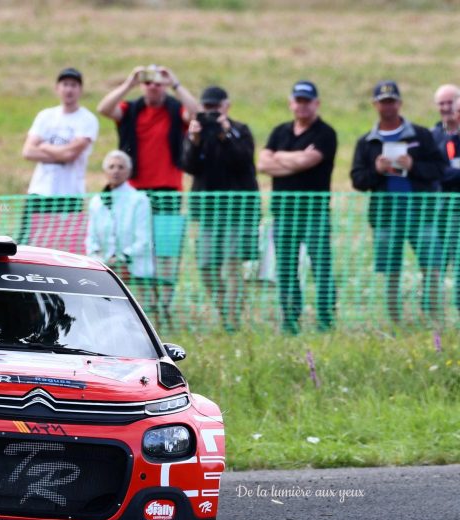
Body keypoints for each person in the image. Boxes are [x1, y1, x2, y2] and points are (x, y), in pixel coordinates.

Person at [97, 64, 198, 312]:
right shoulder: (131, 110)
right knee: (131, 245)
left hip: (168, 190)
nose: (153, 87)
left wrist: (176, 83)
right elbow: (104, 108)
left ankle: (162, 303)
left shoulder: (175, 111)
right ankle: (134, 303)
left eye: (158, 82)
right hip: (134, 192)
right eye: (148, 82)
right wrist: (128, 84)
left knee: (165, 250)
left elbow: (197, 115)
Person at [350, 80, 446, 324]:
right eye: (383, 102)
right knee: (391, 272)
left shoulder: (421, 135)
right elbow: (358, 179)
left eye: (392, 101)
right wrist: (376, 170)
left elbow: (439, 169)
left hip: (421, 214)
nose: (388, 107)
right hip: (385, 217)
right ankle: (396, 323)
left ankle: (433, 320)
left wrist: (413, 167)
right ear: (375, 105)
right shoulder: (366, 142)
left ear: (400, 103)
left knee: (432, 268)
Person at [258, 81, 339, 334]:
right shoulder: (280, 131)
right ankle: (290, 321)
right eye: (298, 100)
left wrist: (279, 157)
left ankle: (325, 320)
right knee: (285, 269)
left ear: (316, 103)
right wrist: (294, 158)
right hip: (283, 212)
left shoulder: (325, 133)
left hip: (314, 212)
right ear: (291, 102)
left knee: (321, 266)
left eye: (307, 101)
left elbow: (310, 160)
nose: (302, 105)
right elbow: (263, 163)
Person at [181, 86, 259, 332]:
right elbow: (188, 166)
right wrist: (194, 141)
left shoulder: (240, 130)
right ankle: (225, 310)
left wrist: (226, 135)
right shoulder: (198, 132)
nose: (212, 112)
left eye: (216, 107)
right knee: (206, 266)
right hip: (208, 212)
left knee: (233, 265)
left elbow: (244, 160)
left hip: (238, 211)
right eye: (207, 107)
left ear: (227, 106)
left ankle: (232, 321)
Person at [20, 68, 98, 250]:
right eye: (65, 85)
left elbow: (71, 155)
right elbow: (28, 151)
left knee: (65, 247)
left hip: (69, 192)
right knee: (29, 243)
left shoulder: (87, 119)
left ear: (80, 89)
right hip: (41, 190)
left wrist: (45, 146)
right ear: (57, 88)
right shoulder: (46, 116)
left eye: (73, 85)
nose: (69, 90)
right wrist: (60, 153)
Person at [85, 150, 155, 285]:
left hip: (134, 266)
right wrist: (98, 259)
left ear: (129, 172)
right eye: (111, 167)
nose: (116, 171)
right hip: (102, 266)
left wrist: (121, 258)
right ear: (105, 171)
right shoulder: (96, 201)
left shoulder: (140, 200)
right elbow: (91, 238)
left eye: (121, 167)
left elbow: (144, 240)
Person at [430, 85, 460, 315]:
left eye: (451, 102)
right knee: (438, 260)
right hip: (440, 208)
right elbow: (434, 171)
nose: (446, 108)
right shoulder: (433, 136)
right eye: (442, 103)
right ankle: (433, 312)